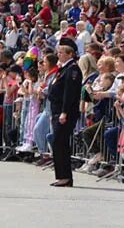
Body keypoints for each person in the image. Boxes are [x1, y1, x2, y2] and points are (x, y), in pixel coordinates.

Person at [47, 38, 82, 187]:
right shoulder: (63, 69)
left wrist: (64, 112)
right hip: (56, 110)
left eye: (61, 52)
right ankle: (62, 175)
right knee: (58, 143)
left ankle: (65, 176)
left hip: (64, 112)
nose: (58, 54)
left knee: (59, 142)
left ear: (70, 54)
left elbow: (70, 93)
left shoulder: (72, 69)